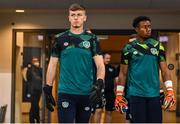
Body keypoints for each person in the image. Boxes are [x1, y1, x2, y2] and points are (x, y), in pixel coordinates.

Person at [43, 3, 105, 123]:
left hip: (86, 92)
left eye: (79, 15)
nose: (76, 17)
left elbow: (100, 65)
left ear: (84, 18)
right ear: (69, 17)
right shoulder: (59, 38)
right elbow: (52, 65)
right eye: (73, 15)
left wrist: (99, 81)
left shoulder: (92, 39)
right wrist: (48, 88)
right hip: (66, 92)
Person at [115, 16, 176, 123]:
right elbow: (123, 73)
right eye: (145, 27)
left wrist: (170, 90)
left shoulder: (157, 46)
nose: (148, 29)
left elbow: (165, 70)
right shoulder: (128, 48)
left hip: (154, 94)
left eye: (149, 26)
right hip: (136, 94)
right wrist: (119, 94)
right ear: (137, 29)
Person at [93, 53, 117, 123]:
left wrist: (116, 91)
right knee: (98, 110)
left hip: (109, 93)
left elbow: (116, 81)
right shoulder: (97, 68)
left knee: (109, 112)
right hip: (99, 92)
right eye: (107, 58)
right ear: (102, 58)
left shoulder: (112, 68)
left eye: (109, 58)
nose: (108, 60)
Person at [22, 57, 42, 123]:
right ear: (32, 62)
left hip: (38, 91)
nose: (37, 62)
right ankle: (36, 119)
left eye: (37, 61)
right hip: (32, 91)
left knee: (34, 105)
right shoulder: (29, 70)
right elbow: (27, 79)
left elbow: (42, 78)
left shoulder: (40, 69)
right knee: (35, 105)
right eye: (35, 61)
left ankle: (33, 119)